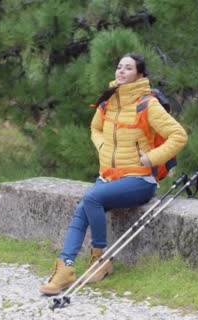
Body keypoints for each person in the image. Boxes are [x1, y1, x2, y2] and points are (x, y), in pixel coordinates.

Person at [38, 53, 188, 295]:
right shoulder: (109, 101)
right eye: (119, 67)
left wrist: (152, 158)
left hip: (139, 180)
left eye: (128, 68)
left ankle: (100, 258)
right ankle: (65, 269)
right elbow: (95, 128)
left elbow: (178, 135)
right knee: (83, 209)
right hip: (109, 176)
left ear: (140, 75)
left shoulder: (147, 104)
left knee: (91, 199)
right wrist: (101, 146)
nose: (121, 72)